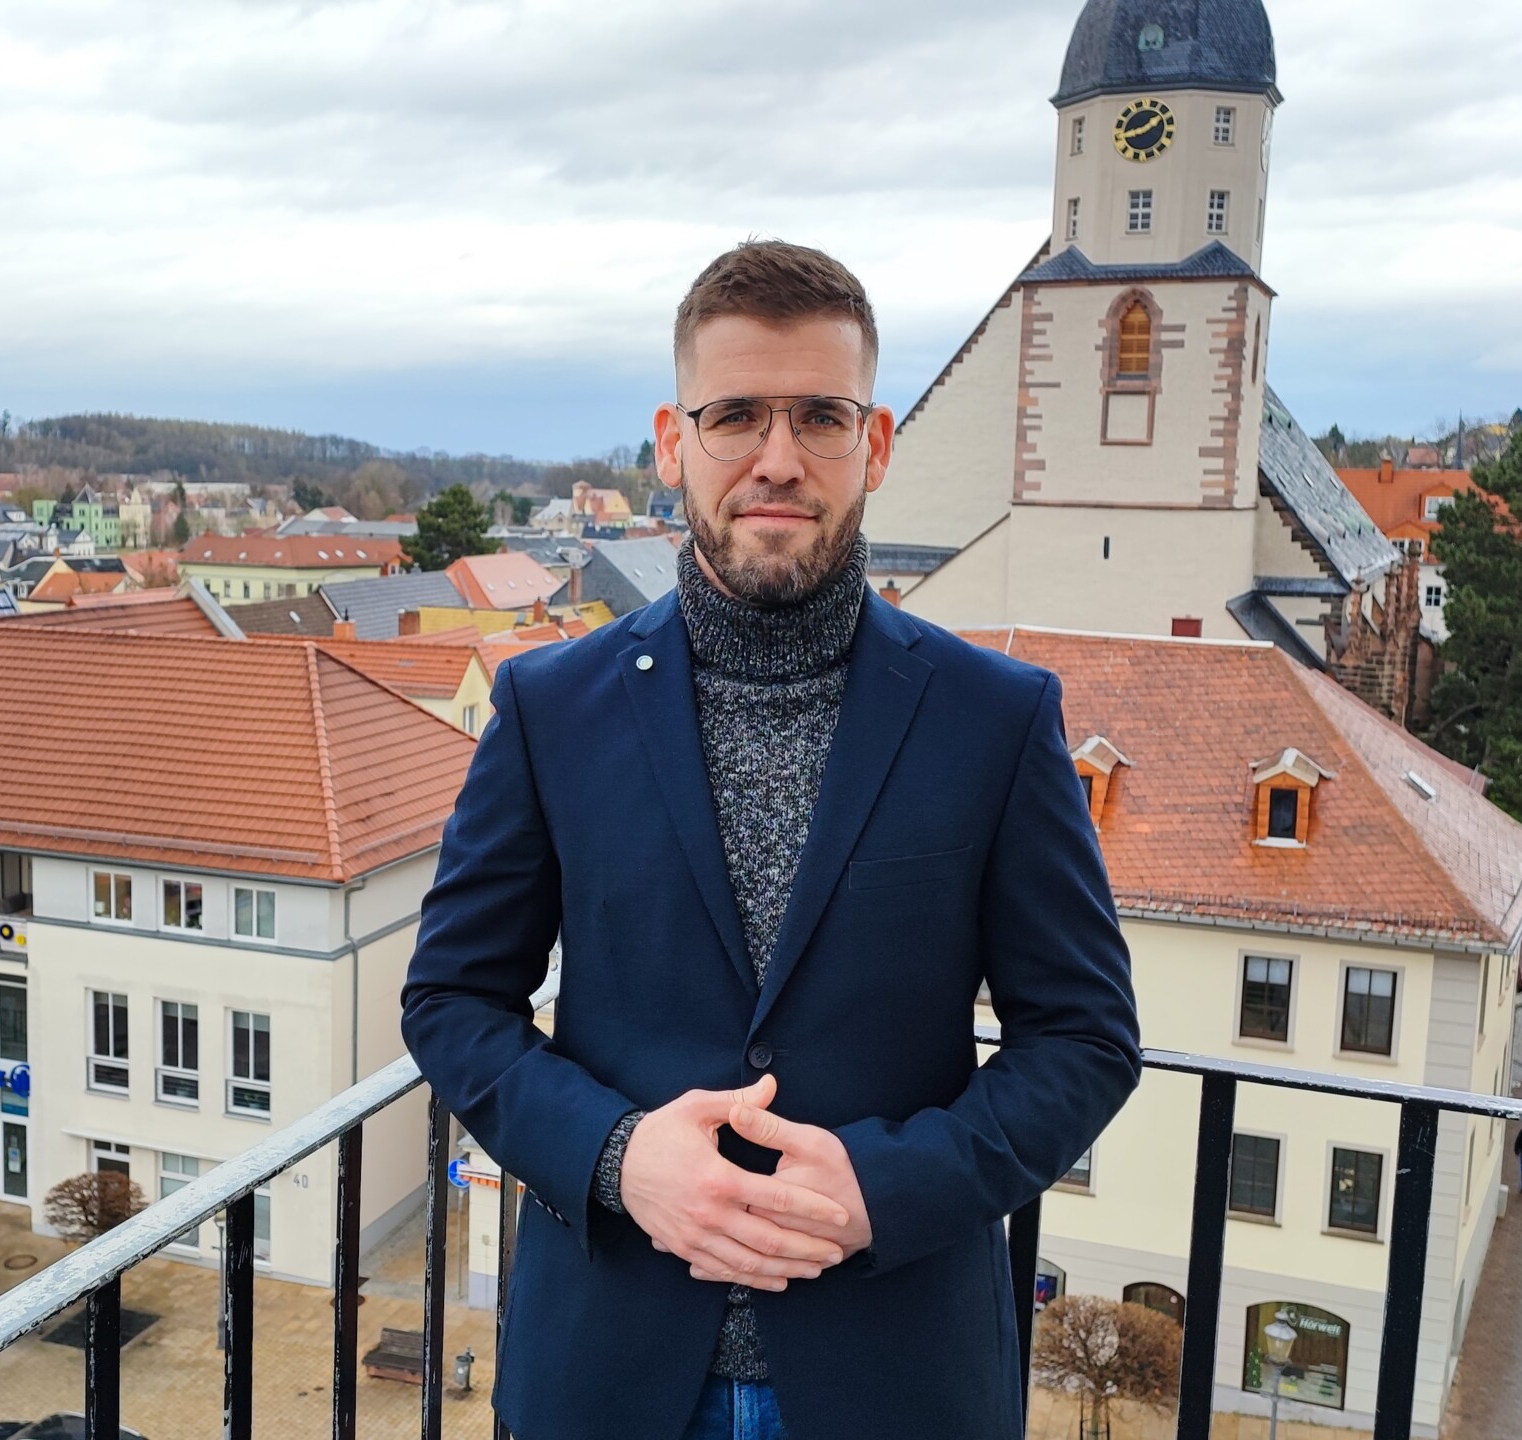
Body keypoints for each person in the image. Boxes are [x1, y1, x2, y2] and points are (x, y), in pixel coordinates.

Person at [401, 240, 1141, 1440]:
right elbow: (450, 1004)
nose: (778, 459)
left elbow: (1088, 1040)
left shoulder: (995, 721)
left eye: (821, 418)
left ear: (878, 443)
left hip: (895, 1380)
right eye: (736, 414)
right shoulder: (550, 711)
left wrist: (881, 1190)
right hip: (608, 1375)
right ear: (672, 440)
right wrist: (617, 1157)